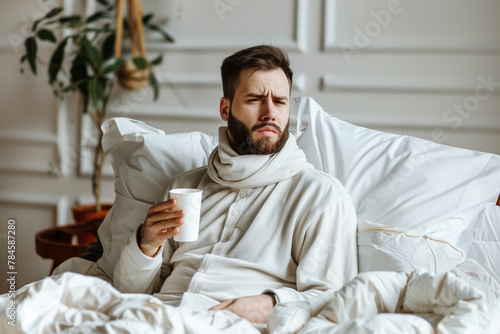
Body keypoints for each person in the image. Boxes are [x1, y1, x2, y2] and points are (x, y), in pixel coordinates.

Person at [113, 45, 358, 324]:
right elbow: (126, 292)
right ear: (225, 108)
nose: (269, 113)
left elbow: (335, 298)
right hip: (150, 319)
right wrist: (147, 244)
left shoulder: (319, 195)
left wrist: (270, 304)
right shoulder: (183, 185)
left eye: (280, 101)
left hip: (232, 325)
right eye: (255, 99)